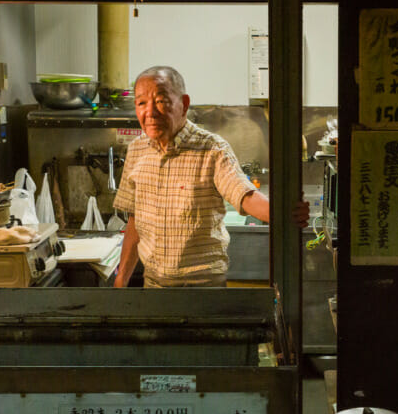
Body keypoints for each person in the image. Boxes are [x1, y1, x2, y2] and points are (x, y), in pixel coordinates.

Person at [112, 65, 308, 288]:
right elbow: (135, 220)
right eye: (141, 103)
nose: (150, 112)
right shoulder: (137, 150)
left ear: (184, 104)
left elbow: (244, 195)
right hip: (154, 287)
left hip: (203, 290)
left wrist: (284, 213)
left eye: (161, 101)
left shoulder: (212, 149)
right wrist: (121, 281)